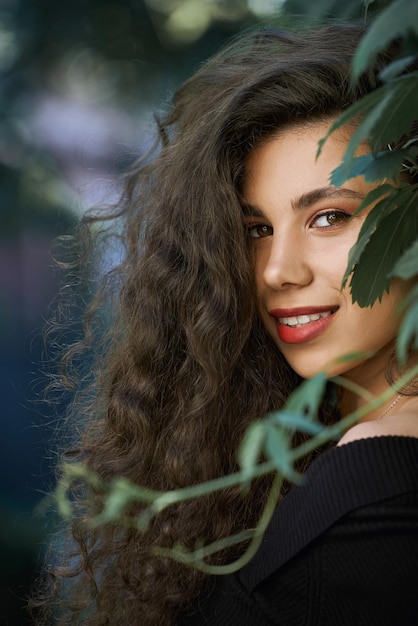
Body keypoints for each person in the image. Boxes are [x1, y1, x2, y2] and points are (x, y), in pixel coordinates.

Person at [32, 22, 418, 625]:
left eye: (328, 218)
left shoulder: (378, 493)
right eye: (255, 230)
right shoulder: (297, 448)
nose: (276, 272)